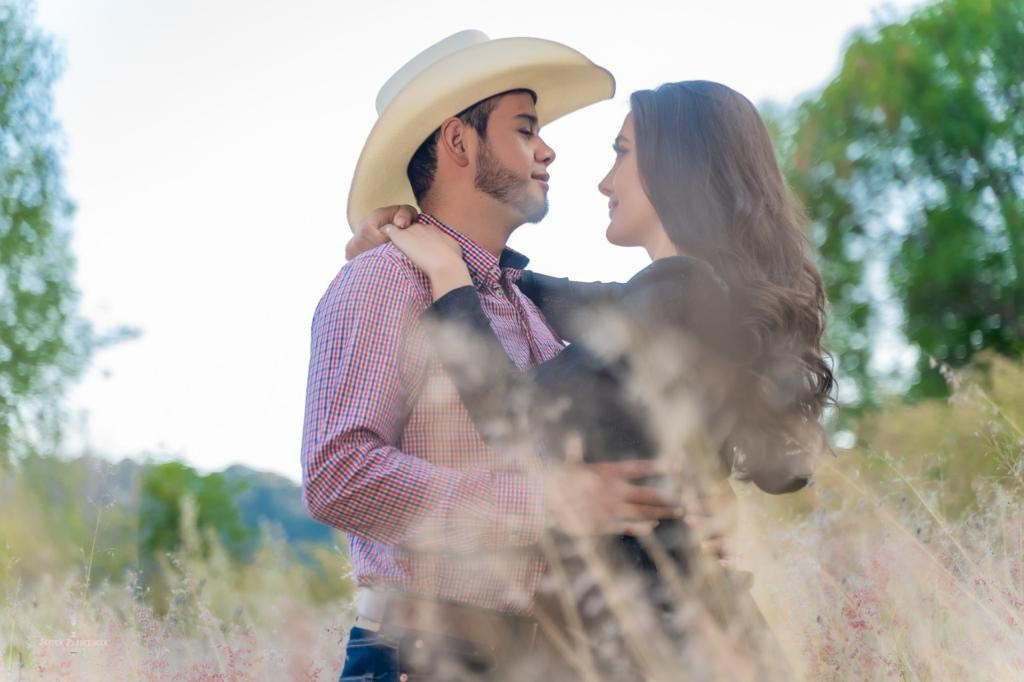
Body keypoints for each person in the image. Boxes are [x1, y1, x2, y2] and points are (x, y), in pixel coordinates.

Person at [351, 80, 836, 679]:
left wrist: (449, 274)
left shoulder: (678, 290)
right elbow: (555, 296)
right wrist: (430, 248)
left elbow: (517, 421)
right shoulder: (708, 298)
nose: (606, 180)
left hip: (657, 644)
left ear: (675, 166)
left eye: (622, 152)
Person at [301, 31, 684, 681]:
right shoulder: (381, 281)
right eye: (525, 129)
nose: (548, 149)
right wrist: (539, 504)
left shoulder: (525, 306)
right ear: (458, 142)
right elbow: (337, 472)